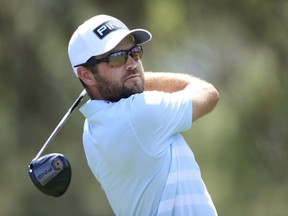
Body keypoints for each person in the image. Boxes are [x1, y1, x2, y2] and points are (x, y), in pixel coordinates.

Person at [68, 14, 219, 216]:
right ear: (86, 74)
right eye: (116, 58)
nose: (131, 64)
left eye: (135, 52)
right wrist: (136, 78)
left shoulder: (92, 130)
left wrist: (130, 77)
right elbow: (207, 93)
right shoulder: (138, 115)